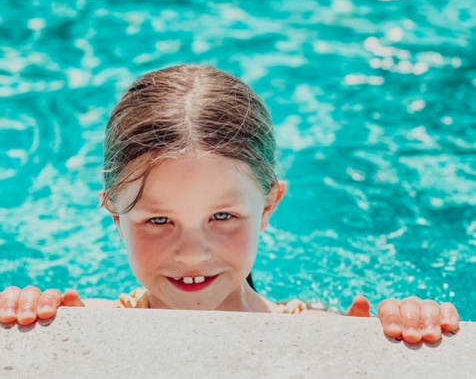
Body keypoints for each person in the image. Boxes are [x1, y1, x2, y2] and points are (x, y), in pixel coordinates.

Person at [0, 65, 459, 344]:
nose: (192, 253)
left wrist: (413, 327)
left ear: (269, 206)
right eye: (159, 219)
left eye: (222, 217)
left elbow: (411, 337)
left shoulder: (324, 329)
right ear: (115, 217)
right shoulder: (86, 319)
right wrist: (24, 314)